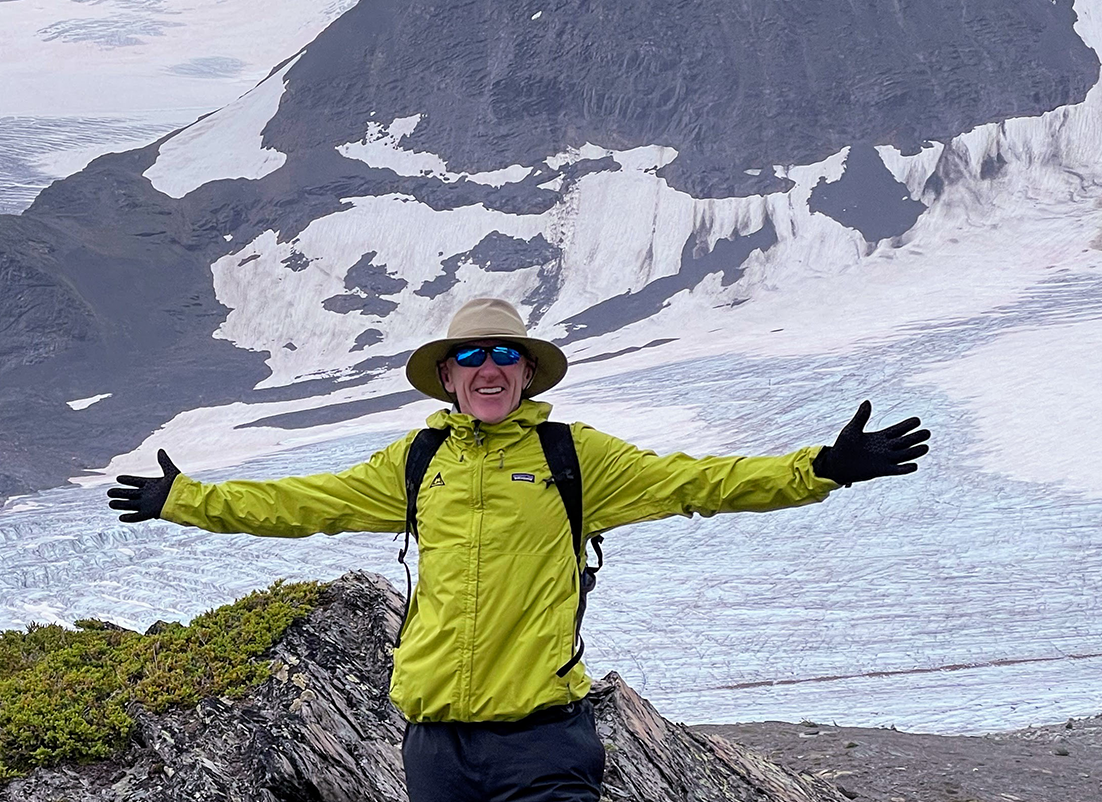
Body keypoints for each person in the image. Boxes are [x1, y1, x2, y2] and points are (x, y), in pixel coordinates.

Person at [107, 297, 928, 802]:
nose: (489, 367)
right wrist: (187, 500)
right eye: (471, 357)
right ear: (449, 377)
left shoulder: (575, 457)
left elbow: (700, 481)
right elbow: (304, 502)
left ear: (528, 373)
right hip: (435, 746)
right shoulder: (418, 460)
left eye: (506, 355)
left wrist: (822, 468)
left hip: (541, 740)